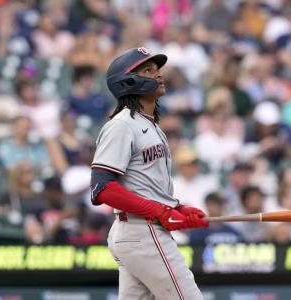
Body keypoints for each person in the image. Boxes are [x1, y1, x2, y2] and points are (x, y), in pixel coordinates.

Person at [90, 47, 208, 300]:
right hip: (142, 231)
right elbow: (102, 188)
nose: (159, 75)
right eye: (148, 70)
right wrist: (159, 211)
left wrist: (178, 207)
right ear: (128, 81)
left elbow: (146, 185)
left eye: (157, 69)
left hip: (139, 231)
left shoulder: (148, 123)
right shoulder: (122, 124)